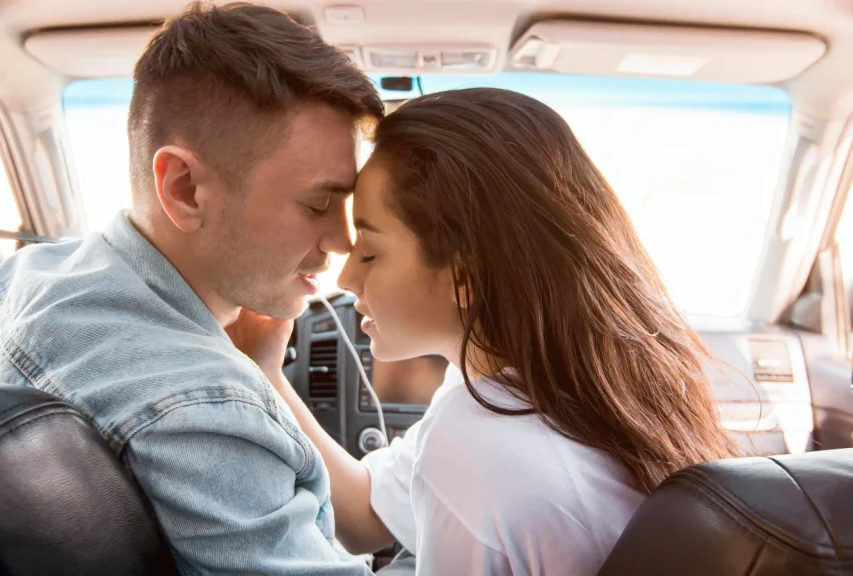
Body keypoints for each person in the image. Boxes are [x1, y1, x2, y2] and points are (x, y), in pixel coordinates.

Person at [0, 3, 384, 574]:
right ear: (184, 188)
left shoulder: (17, 281)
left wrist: (260, 371)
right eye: (318, 203)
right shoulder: (205, 413)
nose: (343, 241)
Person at [240, 88, 741, 575]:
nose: (347, 279)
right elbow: (367, 515)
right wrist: (266, 371)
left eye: (370, 253)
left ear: (465, 277)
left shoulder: (478, 437)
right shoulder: (550, 382)